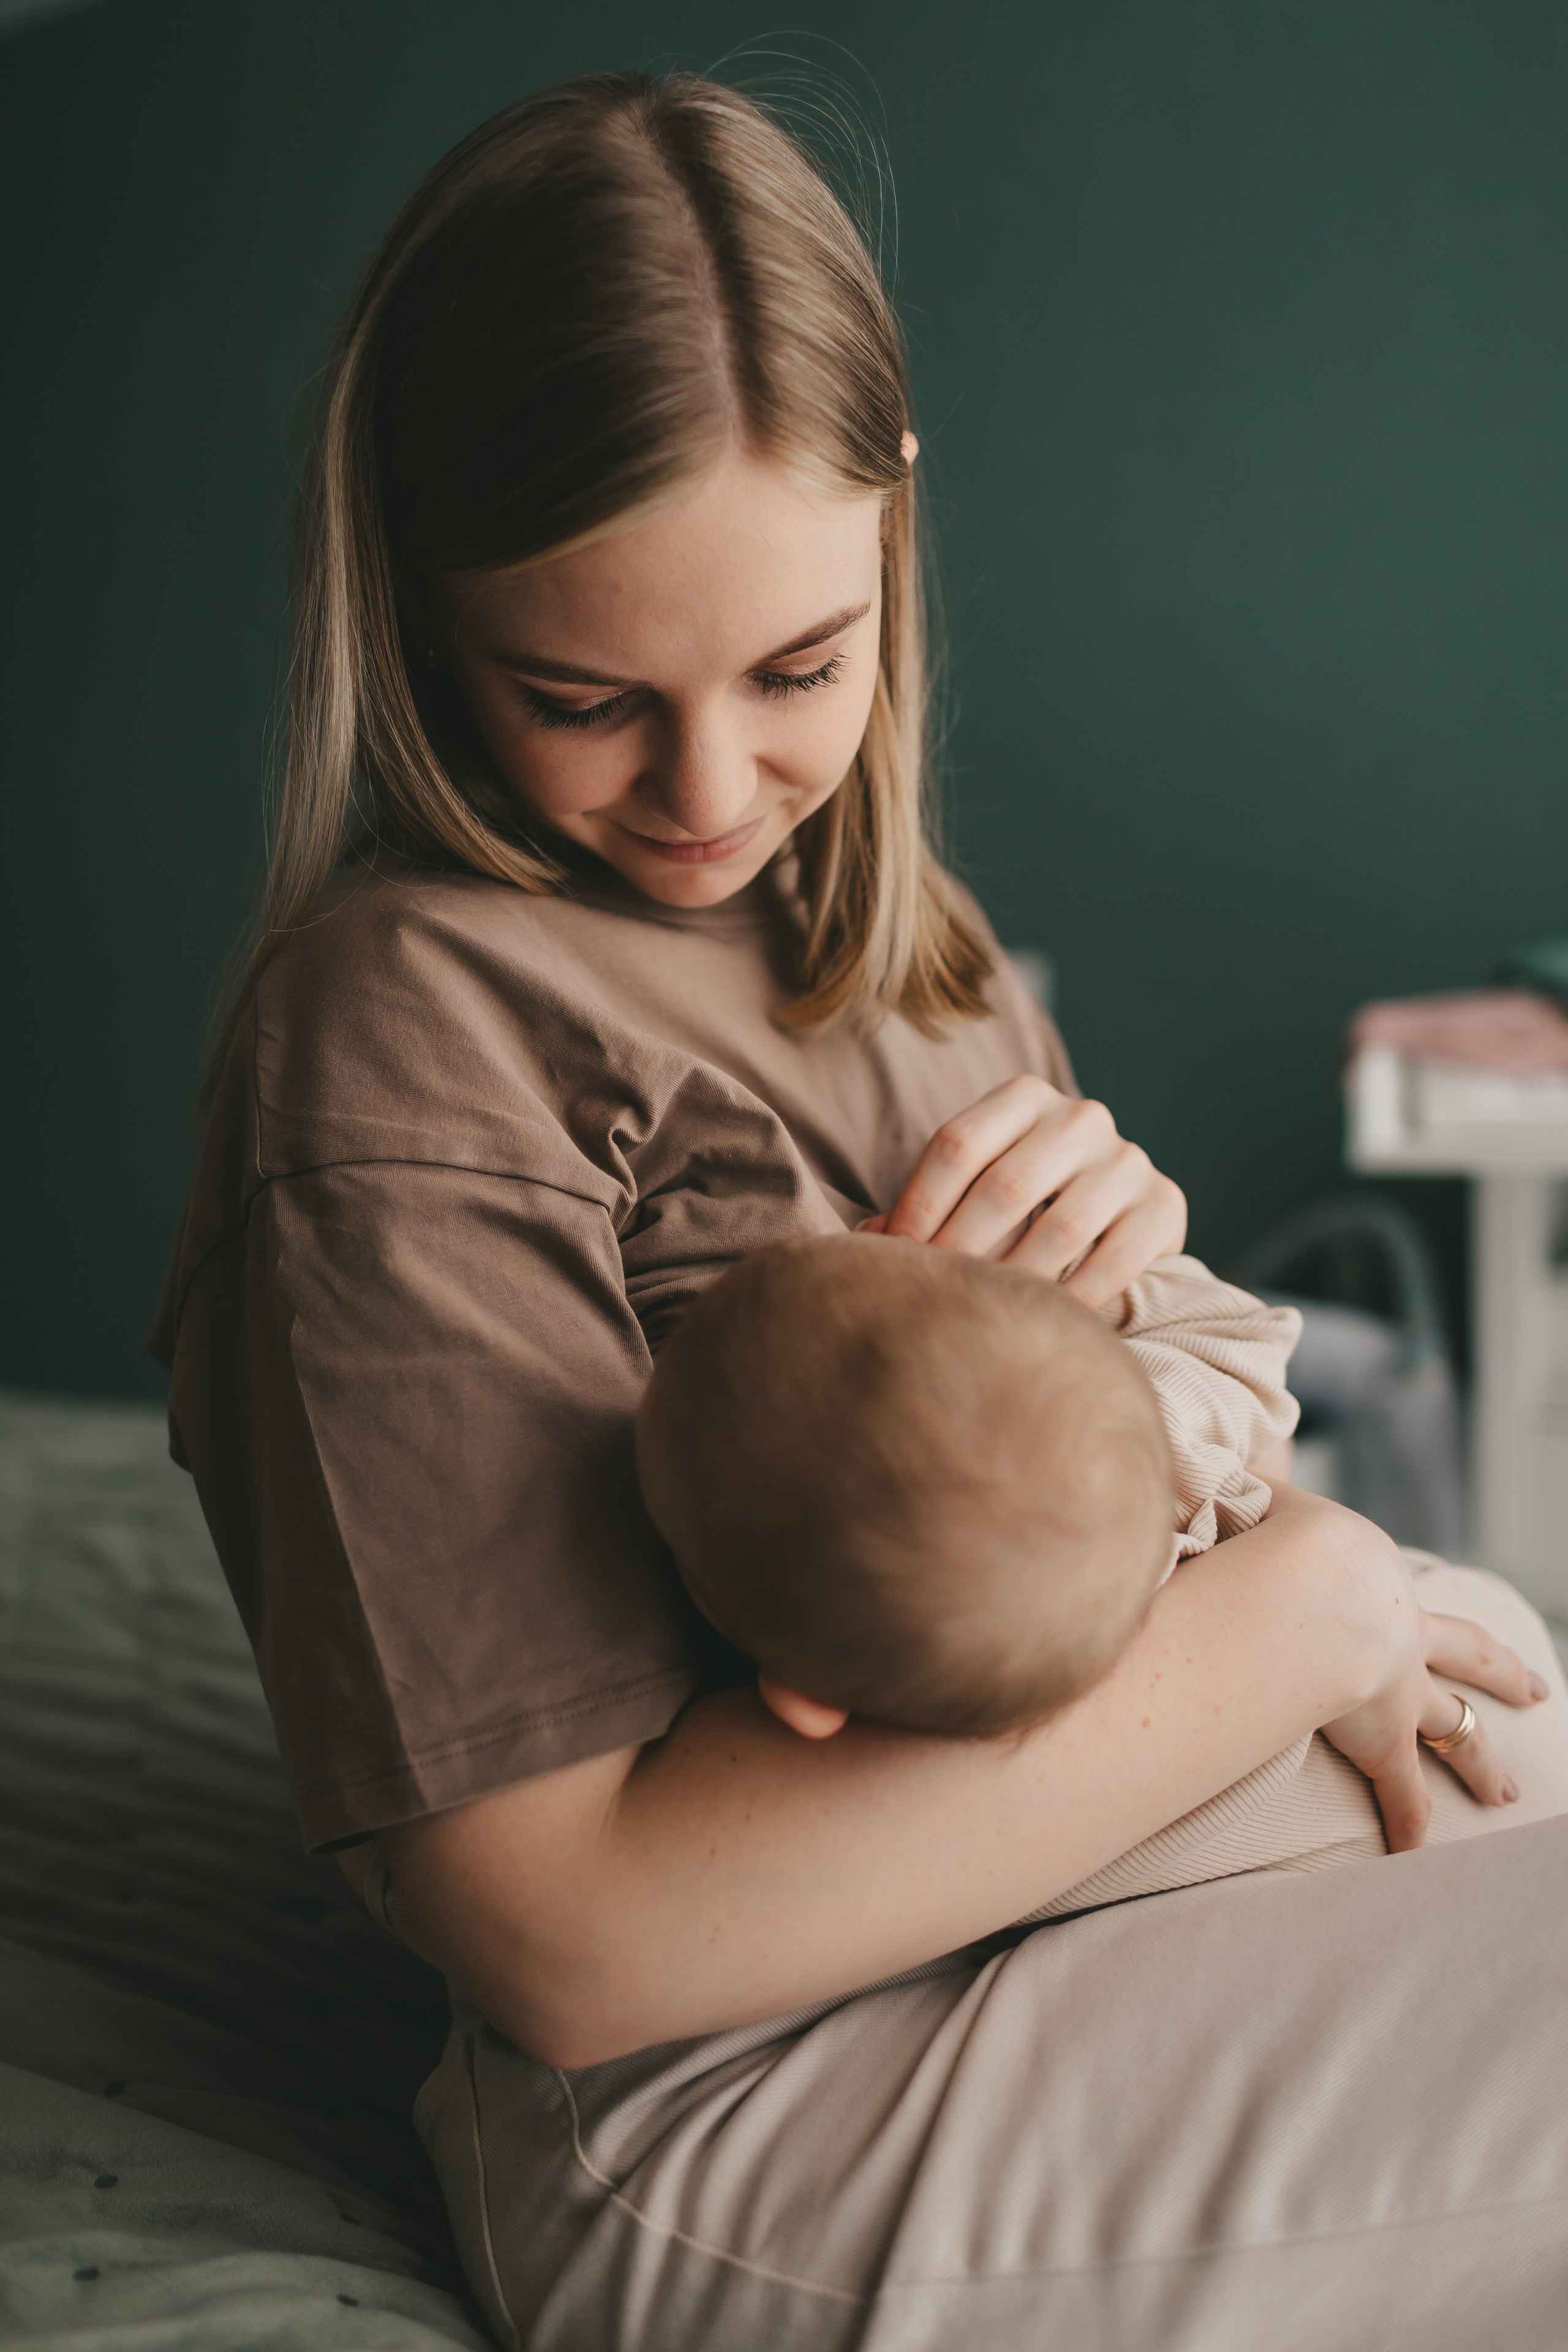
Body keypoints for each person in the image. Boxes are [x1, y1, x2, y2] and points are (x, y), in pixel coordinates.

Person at [153, 71, 1568, 2350]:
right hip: (762, 2092)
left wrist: (1140, 1349)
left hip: (1088, 1924)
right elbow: (574, 1937)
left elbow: (1078, 1581)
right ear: (421, 605)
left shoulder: (914, 954)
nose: (705, 792)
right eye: (582, 696)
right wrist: (1302, 1613)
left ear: (891, 535)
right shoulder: (409, 1027)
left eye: (796, 671)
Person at [636, 1232, 1298, 1741]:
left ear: (806, 1703)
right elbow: (1246, 1331)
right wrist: (1069, 1290)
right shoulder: (1153, 1437)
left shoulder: (958, 1838)